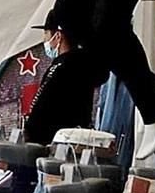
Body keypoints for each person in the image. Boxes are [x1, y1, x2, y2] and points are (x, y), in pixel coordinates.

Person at [24, 9, 108, 145]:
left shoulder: (62, 68)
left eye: (46, 33)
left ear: (58, 36)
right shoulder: (84, 63)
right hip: (73, 141)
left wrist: (30, 135)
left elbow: (42, 110)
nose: (43, 39)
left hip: (54, 144)